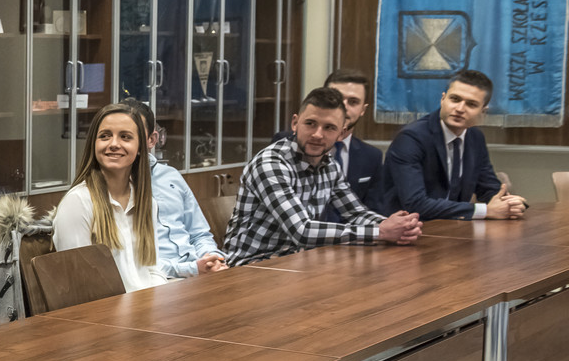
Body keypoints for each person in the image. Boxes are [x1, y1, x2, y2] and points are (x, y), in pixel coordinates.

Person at [224, 87, 422, 265]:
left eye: (329, 127)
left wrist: (397, 226)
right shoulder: (271, 164)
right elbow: (302, 231)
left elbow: (355, 213)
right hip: (251, 266)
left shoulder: (330, 166)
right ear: (295, 123)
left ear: (341, 134)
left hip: (297, 263)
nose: (318, 134)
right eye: (310, 123)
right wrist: (381, 231)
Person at [380, 69, 526, 222]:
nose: (460, 109)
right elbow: (416, 204)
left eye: (471, 104)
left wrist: (510, 204)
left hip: (452, 227)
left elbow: (488, 188)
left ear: (483, 112)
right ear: (443, 99)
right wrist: (485, 210)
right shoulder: (411, 138)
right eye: (455, 99)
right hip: (407, 228)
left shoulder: (475, 138)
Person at [52, 103, 167, 291]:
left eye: (125, 137)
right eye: (105, 136)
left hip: (145, 304)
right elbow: (80, 283)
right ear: (94, 144)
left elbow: (153, 270)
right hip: (103, 308)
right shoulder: (78, 202)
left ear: (140, 147)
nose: (114, 144)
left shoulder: (148, 203)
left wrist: (159, 301)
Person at [121, 98, 225, 278]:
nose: (118, 143)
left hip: (198, 271)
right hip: (158, 279)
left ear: (152, 139)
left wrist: (212, 258)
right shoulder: (116, 187)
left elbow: (199, 234)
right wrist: (192, 269)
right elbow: (131, 262)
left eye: (128, 135)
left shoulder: (171, 176)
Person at [272, 69, 383, 219]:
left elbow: (364, 212)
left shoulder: (369, 157)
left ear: (363, 109)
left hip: (347, 232)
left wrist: (392, 226)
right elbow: (298, 226)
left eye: (353, 102)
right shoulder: (281, 150)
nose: (343, 107)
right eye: (337, 99)